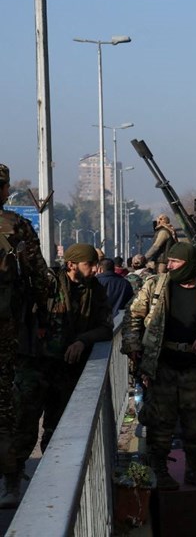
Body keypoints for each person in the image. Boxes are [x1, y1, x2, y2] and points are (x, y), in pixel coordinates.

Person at [122, 242, 196, 492]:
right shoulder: (155, 286)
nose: (169, 266)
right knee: (161, 421)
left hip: (195, 367)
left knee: (195, 422)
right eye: (169, 262)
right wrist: (133, 346)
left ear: (190, 264)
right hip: (162, 364)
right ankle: (159, 471)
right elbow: (133, 315)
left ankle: (194, 469)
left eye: (175, 262)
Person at [11, 243, 112, 504]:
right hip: (33, 366)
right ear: (71, 265)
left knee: (58, 430)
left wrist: (82, 340)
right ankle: (11, 483)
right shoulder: (46, 284)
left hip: (65, 371)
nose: (95, 270)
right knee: (22, 426)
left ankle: (52, 481)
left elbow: (105, 327)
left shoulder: (95, 291)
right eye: (90, 265)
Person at [0, 164, 53, 508]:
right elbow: (41, 281)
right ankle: (11, 480)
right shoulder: (16, 227)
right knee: (7, 408)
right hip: (8, 333)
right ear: (4, 189)